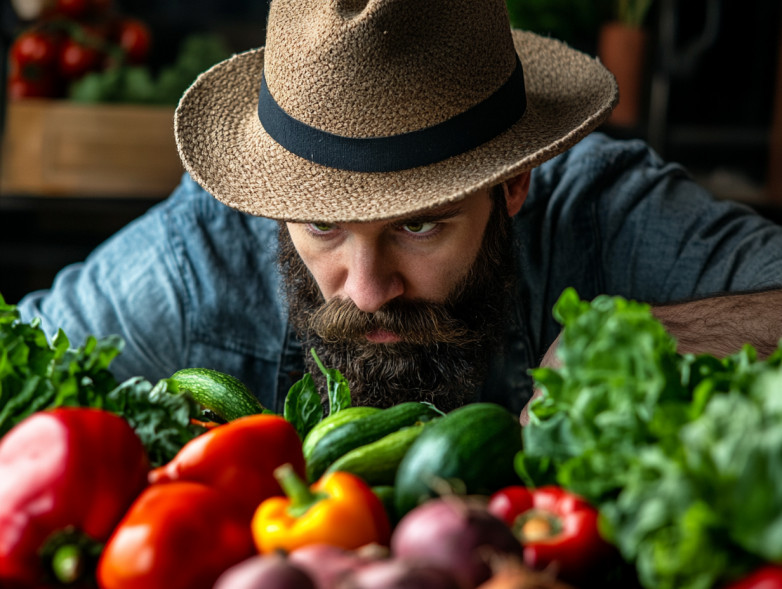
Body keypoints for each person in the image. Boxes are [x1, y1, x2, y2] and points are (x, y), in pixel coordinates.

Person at [15, 0, 782, 418]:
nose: (366, 288)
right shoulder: (193, 265)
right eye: (322, 225)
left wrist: (627, 346)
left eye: (419, 223)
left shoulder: (603, 209)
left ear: (512, 184)